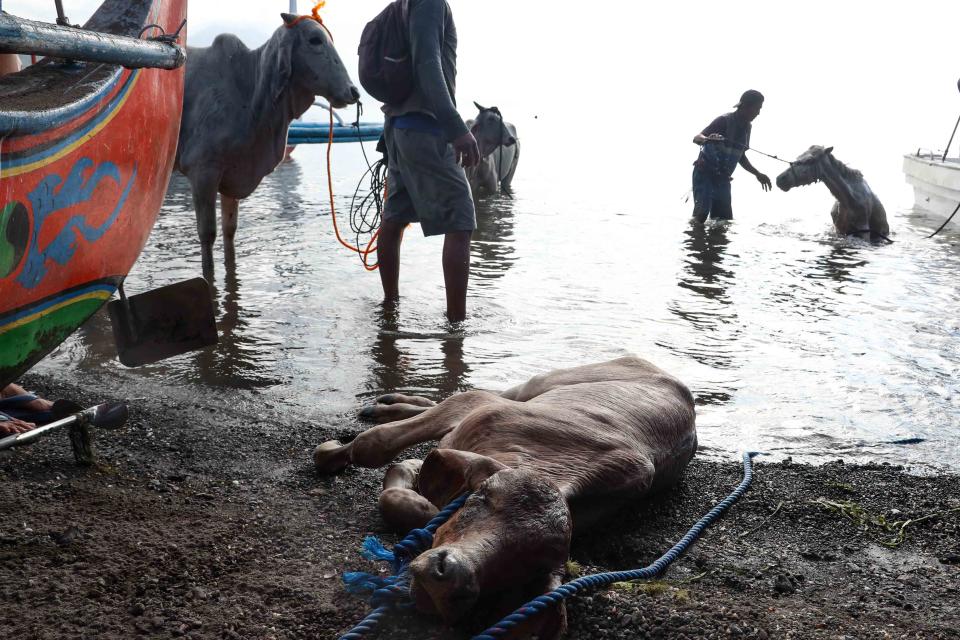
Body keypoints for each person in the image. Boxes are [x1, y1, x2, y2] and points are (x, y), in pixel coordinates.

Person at [378, 0, 480, 322]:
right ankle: (456, 328)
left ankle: (389, 311)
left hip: (399, 128)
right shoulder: (430, 2)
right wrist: (456, 127)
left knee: (394, 219)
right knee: (461, 221)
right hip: (427, 129)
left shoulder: (406, 4)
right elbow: (427, 65)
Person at [691, 89, 772, 223]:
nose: (758, 113)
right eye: (757, 108)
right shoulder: (723, 120)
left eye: (760, 109)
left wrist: (757, 174)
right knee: (701, 216)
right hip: (705, 174)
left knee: (723, 221)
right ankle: (694, 240)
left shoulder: (747, 128)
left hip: (723, 178)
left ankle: (716, 244)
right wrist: (707, 139)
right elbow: (697, 138)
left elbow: (740, 157)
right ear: (745, 106)